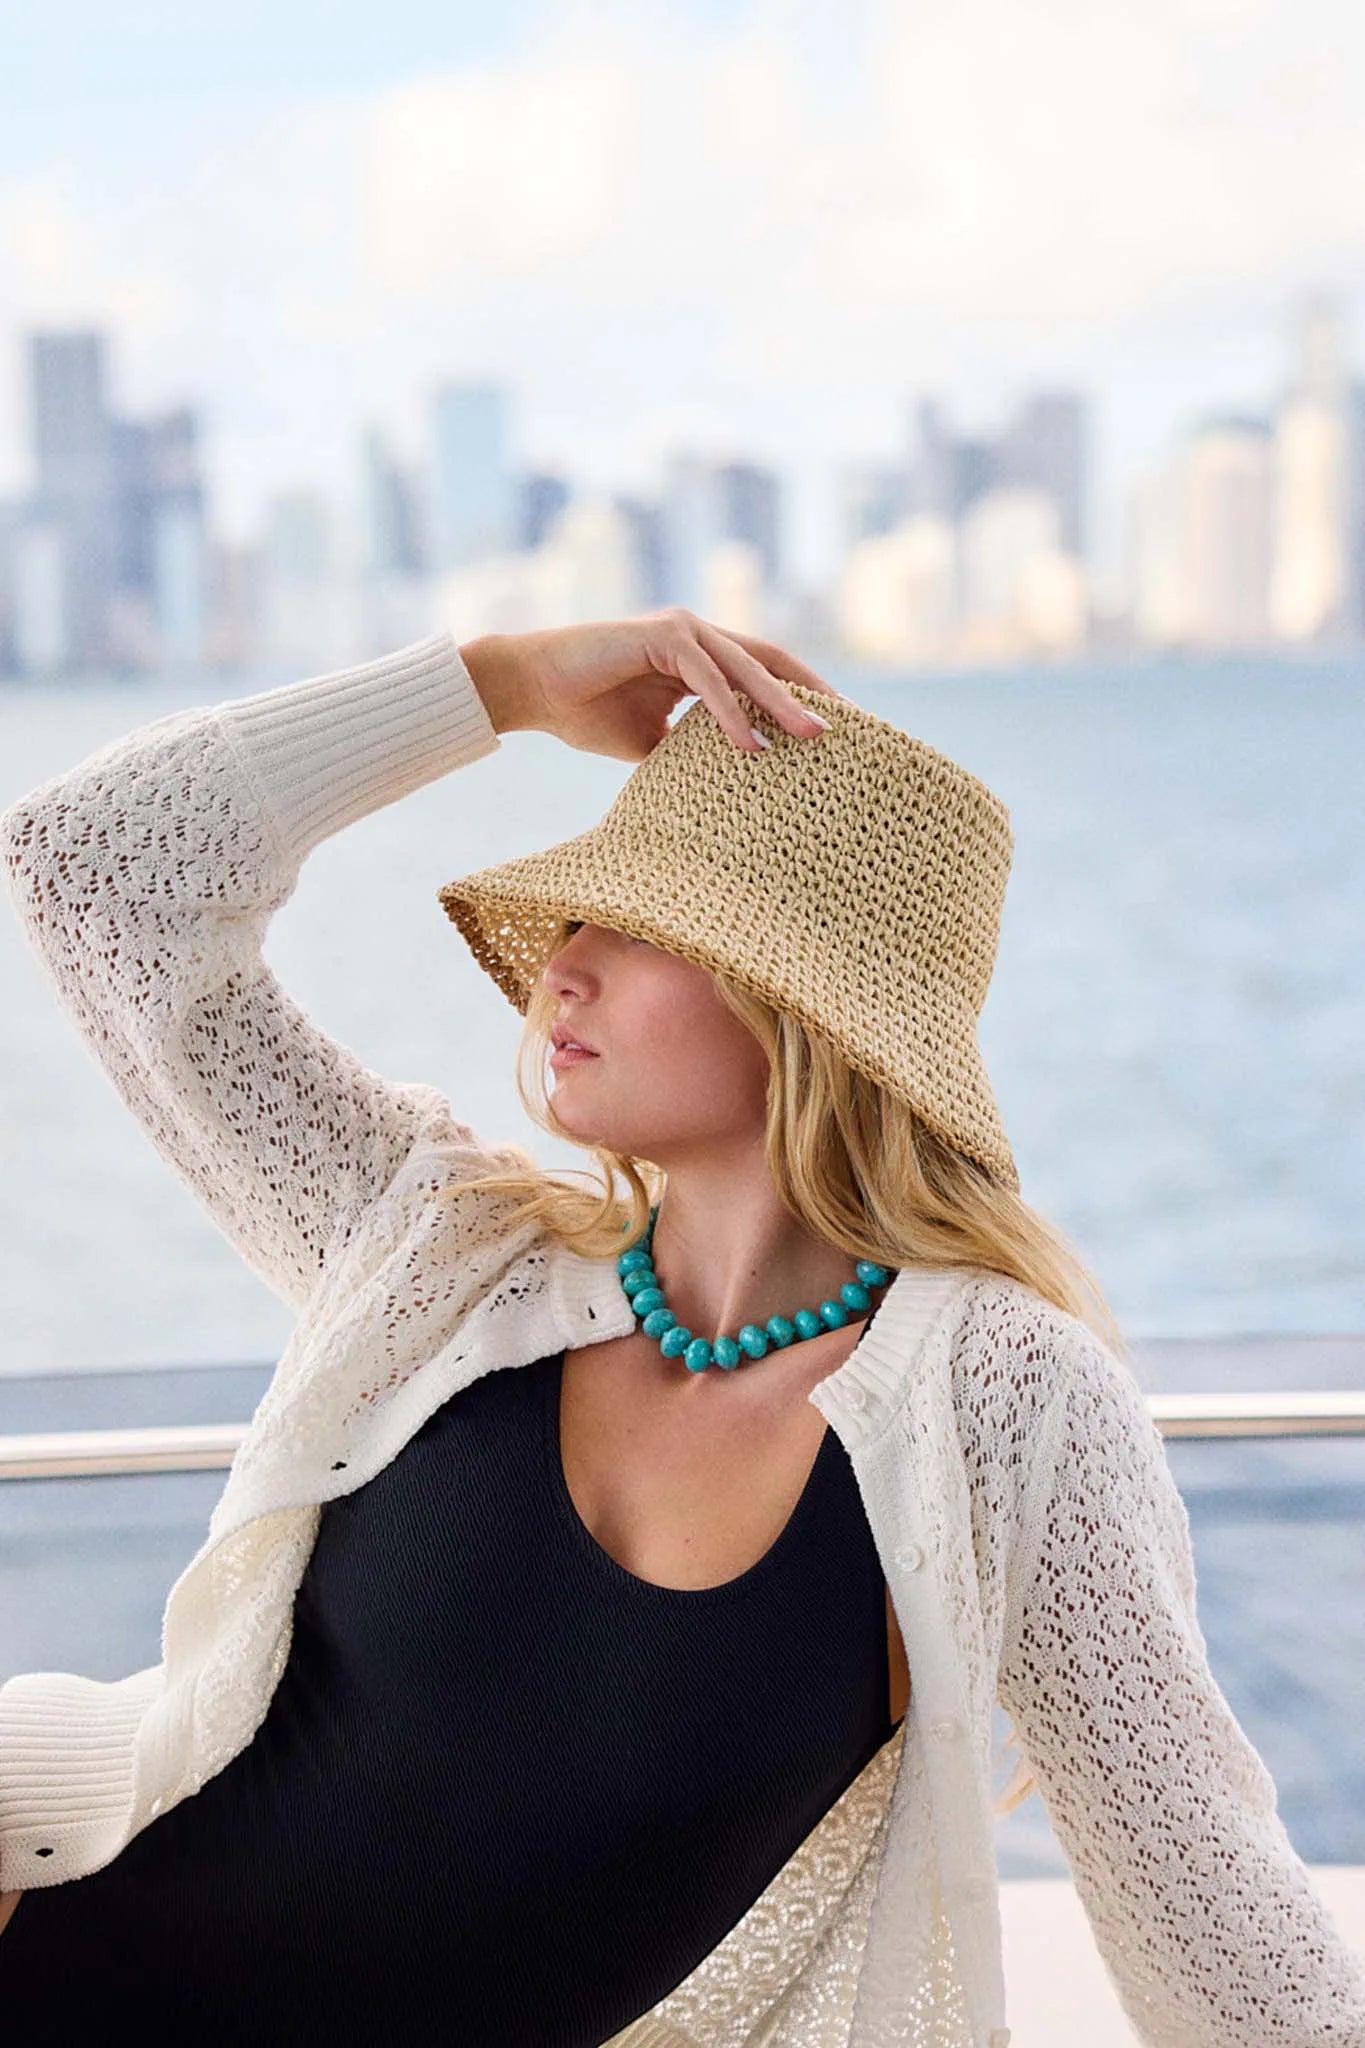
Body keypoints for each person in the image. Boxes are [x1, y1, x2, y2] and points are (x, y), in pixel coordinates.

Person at [1, 610, 1362, 2046]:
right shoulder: (437, 1248)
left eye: (640, 927)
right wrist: (504, 685)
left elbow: (1210, 1917)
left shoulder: (1001, 1401)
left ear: (807, 1003)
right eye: (574, 919)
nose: (561, 968)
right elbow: (95, 870)